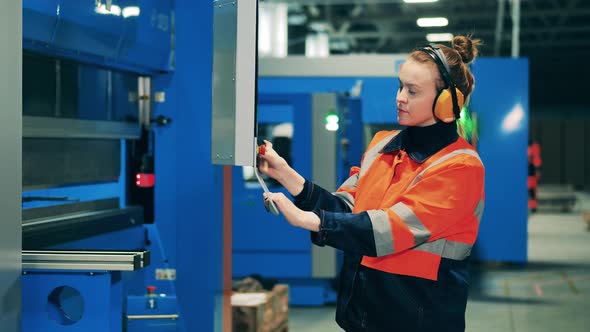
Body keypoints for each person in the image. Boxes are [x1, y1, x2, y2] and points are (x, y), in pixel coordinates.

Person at [258, 35, 485, 332]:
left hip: (419, 318)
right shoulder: (383, 146)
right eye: (400, 86)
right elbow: (348, 208)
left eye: (412, 91)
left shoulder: (460, 166)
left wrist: (309, 221)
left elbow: (390, 229)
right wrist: (286, 174)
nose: (399, 97)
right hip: (365, 313)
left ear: (445, 102)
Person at [527, 139, 542, 212]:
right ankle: (532, 207)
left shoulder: (534, 147)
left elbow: (536, 160)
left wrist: (537, 170)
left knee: (532, 191)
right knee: (531, 191)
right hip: (527, 172)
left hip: (531, 173)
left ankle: (533, 207)